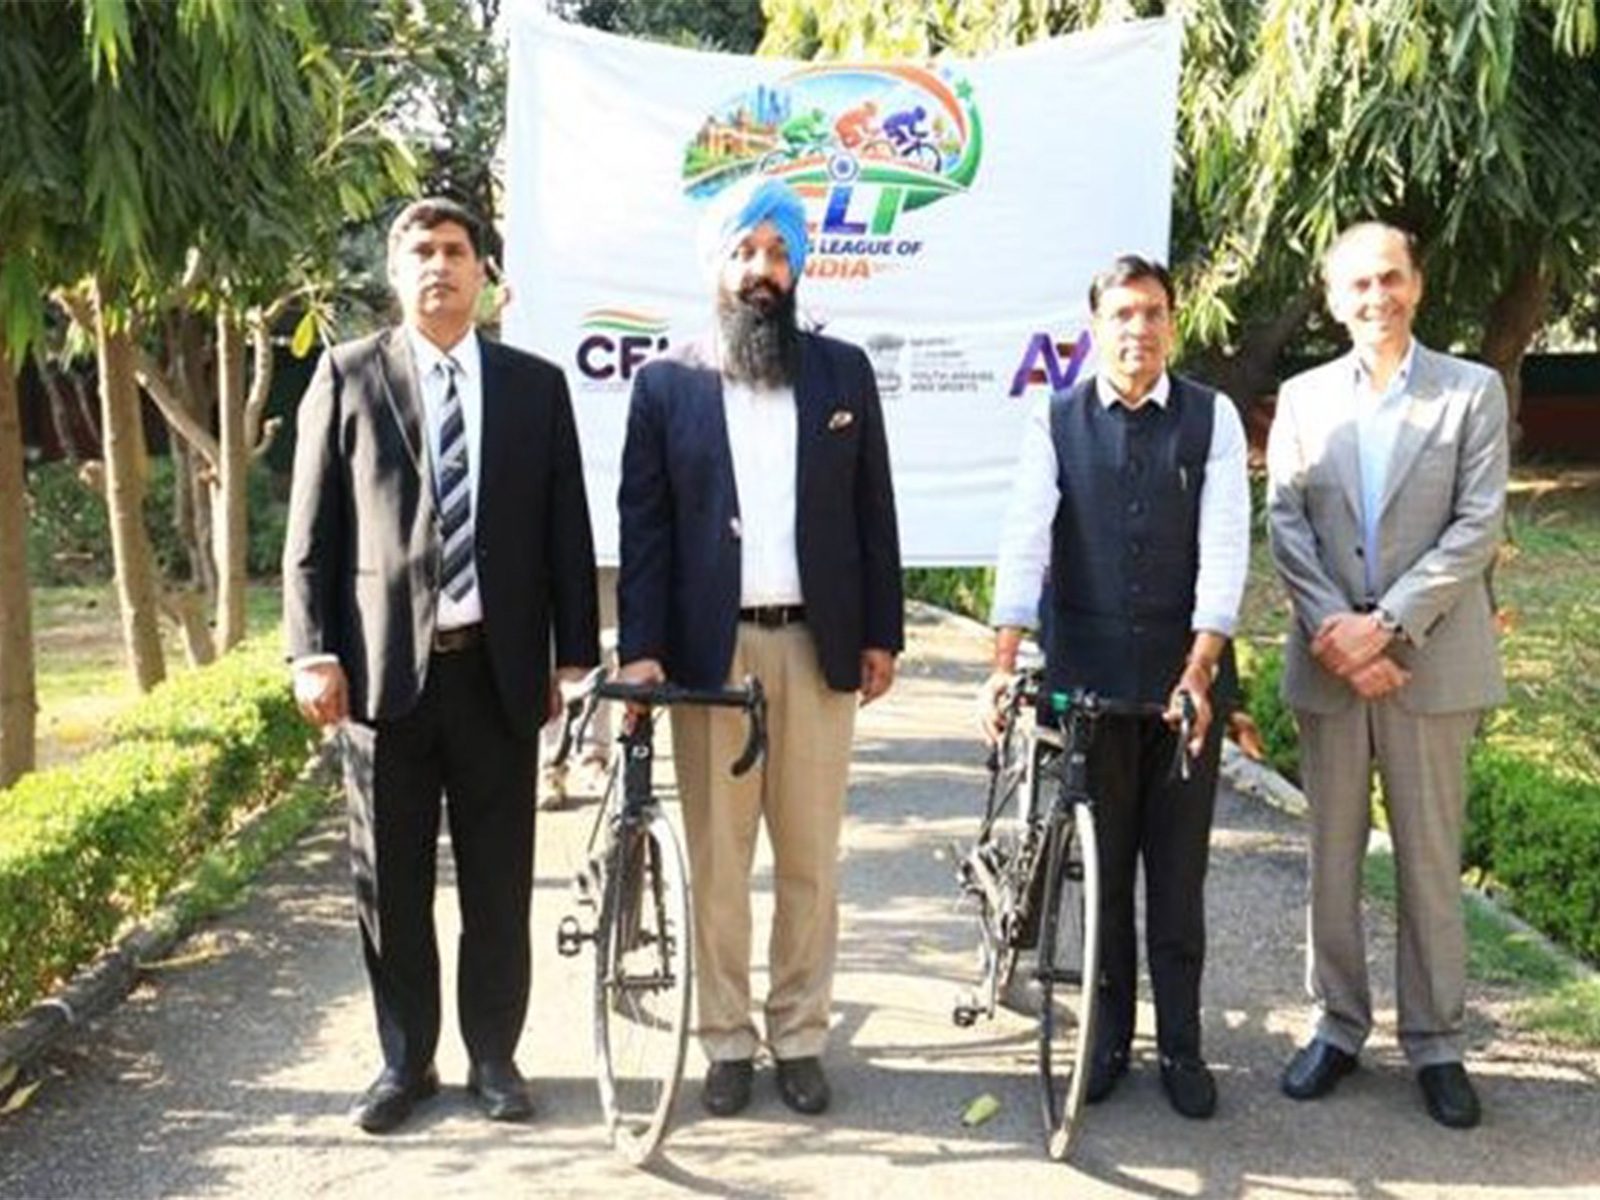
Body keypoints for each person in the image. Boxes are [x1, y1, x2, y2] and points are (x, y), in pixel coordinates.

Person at [282, 196, 599, 1134]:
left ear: (483, 272)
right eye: (421, 252)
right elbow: (311, 535)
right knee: (393, 887)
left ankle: (495, 1058)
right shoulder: (345, 377)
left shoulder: (535, 388)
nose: (439, 266)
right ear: (396, 272)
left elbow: (566, 536)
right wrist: (313, 652)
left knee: (499, 885)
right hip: (385, 685)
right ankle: (404, 1062)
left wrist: (573, 660)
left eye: (457, 251)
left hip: (499, 680)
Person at [616, 177, 903, 1118]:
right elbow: (646, 526)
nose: (761, 272)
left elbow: (874, 511)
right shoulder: (666, 384)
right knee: (718, 857)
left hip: (814, 648)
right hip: (708, 658)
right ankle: (727, 1039)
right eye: (744, 253)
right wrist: (644, 650)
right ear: (717, 265)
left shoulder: (842, 373)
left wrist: (880, 635)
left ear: (797, 265)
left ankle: (800, 1035)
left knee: (811, 858)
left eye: (777, 254)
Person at [981, 254, 1250, 1120]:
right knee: (1100, 877)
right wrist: (1003, 658)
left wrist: (1201, 669)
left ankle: (1181, 1045)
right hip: (1086, 685)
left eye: (1154, 312)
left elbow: (1226, 551)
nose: (1139, 329)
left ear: (1174, 322)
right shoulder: (1055, 419)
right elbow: (1026, 539)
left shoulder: (1212, 419)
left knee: (1177, 878)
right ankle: (1106, 1039)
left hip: (1184, 690)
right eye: (1123, 313)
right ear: (1095, 326)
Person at [1267, 221, 1508, 1130]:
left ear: (1418, 284)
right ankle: (1335, 1025)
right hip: (1329, 661)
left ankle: (1438, 1041)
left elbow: (1477, 526)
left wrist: (1388, 630)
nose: (1377, 298)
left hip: (1430, 666)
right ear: (1333, 300)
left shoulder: (1470, 393)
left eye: (1391, 279)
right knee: (1330, 858)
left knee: (1429, 861)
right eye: (1358, 285)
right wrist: (1337, 630)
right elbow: (1286, 524)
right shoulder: (1300, 398)